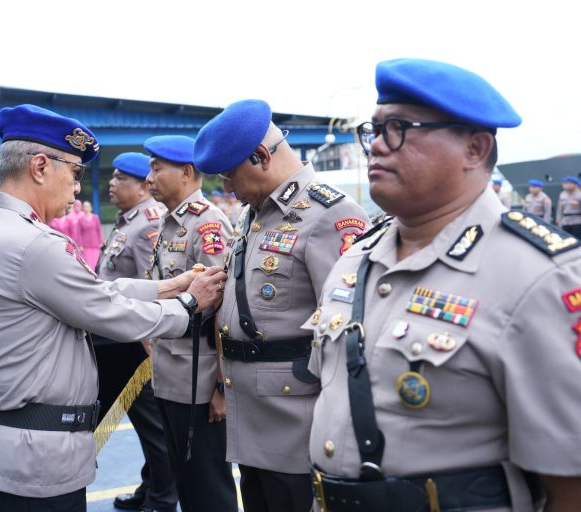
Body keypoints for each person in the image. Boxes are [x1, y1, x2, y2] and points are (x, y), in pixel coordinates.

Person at [307, 58, 581, 512]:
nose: (377, 146)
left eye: (398, 128)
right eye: (373, 130)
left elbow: (570, 487)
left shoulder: (538, 276)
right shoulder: (356, 259)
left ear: (474, 148)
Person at [0, 104, 226, 511]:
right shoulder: (33, 244)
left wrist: (167, 286)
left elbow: (96, 290)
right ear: (40, 167)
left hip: (16, 448)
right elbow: (106, 310)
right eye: (75, 174)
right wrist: (189, 304)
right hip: (36, 459)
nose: (77, 190)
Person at [193, 99, 371, 512]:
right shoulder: (255, 212)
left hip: (296, 425)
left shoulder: (330, 214)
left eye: (229, 176)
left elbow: (349, 332)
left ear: (260, 156)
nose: (227, 189)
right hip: (252, 415)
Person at [144, 134, 238, 512]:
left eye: (157, 168)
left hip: (200, 382)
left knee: (208, 486)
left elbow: (222, 309)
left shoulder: (207, 223)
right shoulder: (170, 223)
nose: (149, 178)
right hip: (170, 374)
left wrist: (220, 387)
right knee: (186, 483)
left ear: (186, 172)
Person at [95, 152, 177, 512]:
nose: (112, 184)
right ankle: (151, 488)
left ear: (143, 186)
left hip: (138, 347)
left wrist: (150, 345)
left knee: (154, 429)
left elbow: (153, 287)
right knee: (148, 428)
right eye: (113, 177)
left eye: (121, 179)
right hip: (121, 342)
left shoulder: (147, 225)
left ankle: (162, 500)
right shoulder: (129, 221)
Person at [78, 200, 103, 269]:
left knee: (96, 262)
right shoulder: (80, 219)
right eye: (85, 206)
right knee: (88, 264)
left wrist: (101, 242)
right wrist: (80, 245)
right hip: (85, 246)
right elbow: (79, 233)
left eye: (88, 206)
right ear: (82, 208)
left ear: (91, 208)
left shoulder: (95, 217)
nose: (86, 208)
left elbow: (99, 230)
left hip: (95, 244)